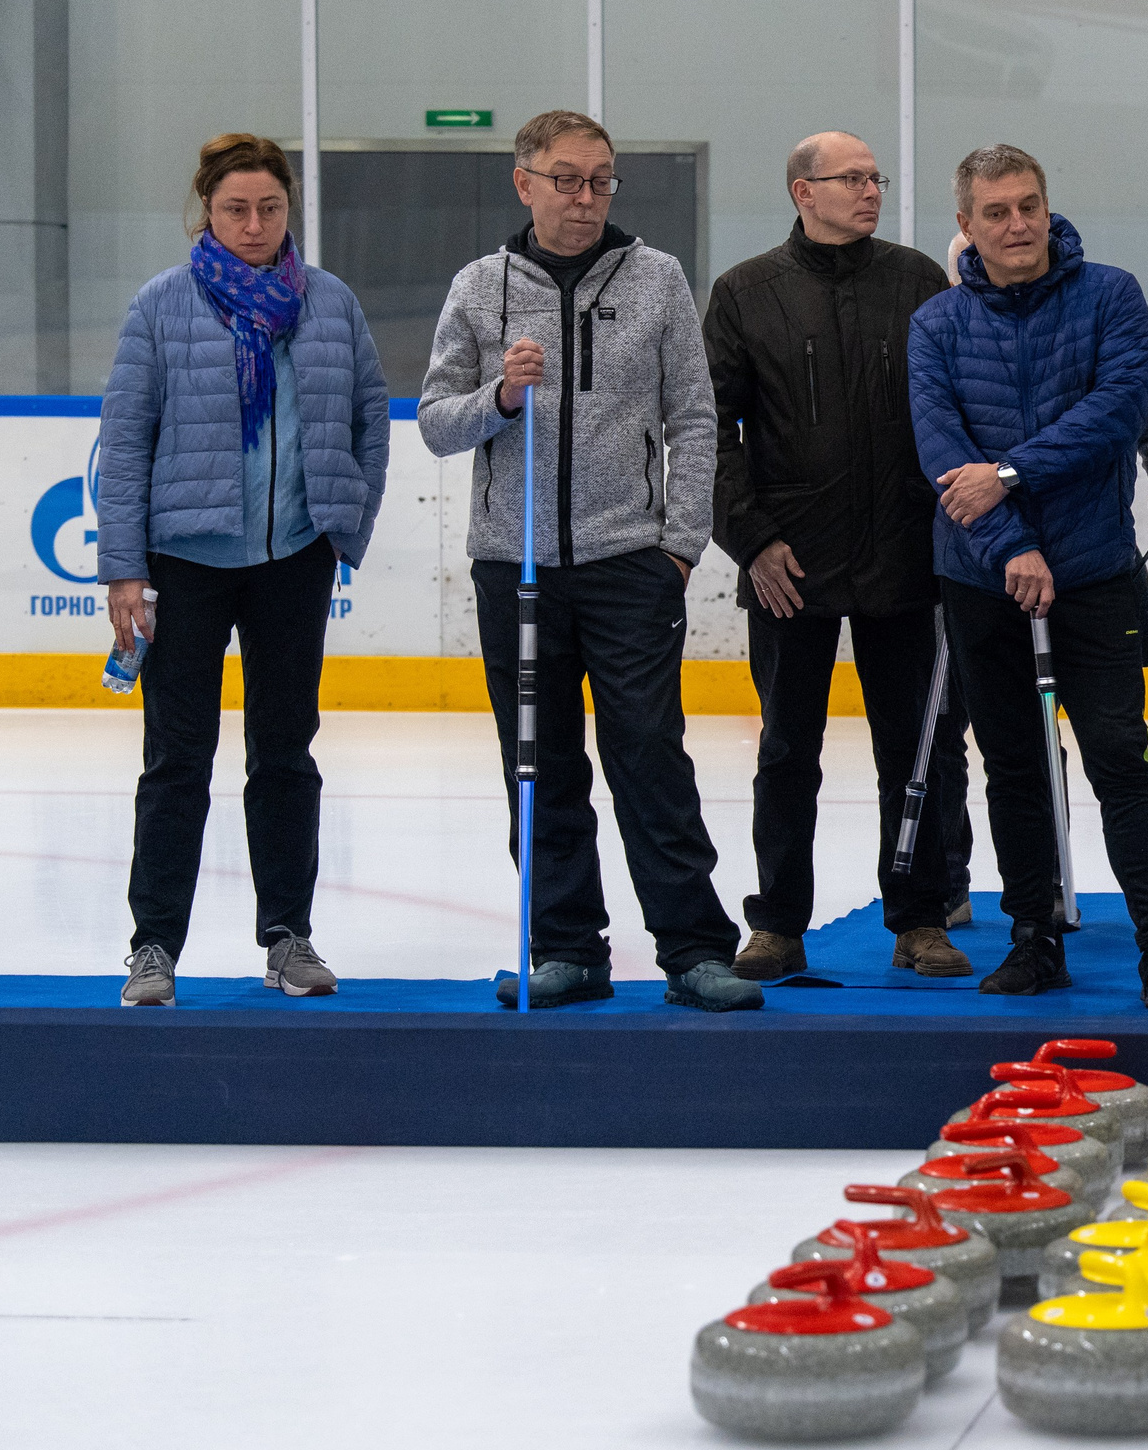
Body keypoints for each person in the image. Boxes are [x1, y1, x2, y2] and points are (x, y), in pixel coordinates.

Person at [419, 109, 755, 1012]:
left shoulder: (657, 280)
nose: (585, 196)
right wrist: (499, 394)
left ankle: (692, 948)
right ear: (523, 181)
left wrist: (678, 546)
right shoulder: (480, 287)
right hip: (515, 568)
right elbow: (435, 421)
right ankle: (567, 946)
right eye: (566, 178)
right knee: (540, 763)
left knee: (651, 755)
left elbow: (695, 416)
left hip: (629, 566)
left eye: (601, 179)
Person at [98, 133, 390, 1007]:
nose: (254, 223)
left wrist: (346, 517)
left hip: (293, 560)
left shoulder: (330, 304)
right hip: (185, 561)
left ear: (288, 209)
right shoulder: (162, 305)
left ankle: (288, 937)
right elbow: (124, 441)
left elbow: (370, 411)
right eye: (236, 208)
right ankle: (154, 945)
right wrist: (124, 570)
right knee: (176, 758)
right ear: (207, 212)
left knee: (285, 753)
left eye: (269, 207)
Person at [909, 144, 1148, 1009]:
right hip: (982, 577)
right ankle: (1034, 936)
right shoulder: (937, 324)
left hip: (1093, 570)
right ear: (966, 225)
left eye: (1029, 205)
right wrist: (1009, 542)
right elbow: (941, 450)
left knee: (1119, 758)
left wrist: (1008, 475)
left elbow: (1114, 413)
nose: (1018, 224)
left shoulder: (1111, 294)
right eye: (995, 212)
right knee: (1015, 767)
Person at [703, 131, 970, 984]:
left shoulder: (919, 280)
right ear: (801, 191)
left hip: (907, 557)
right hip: (790, 565)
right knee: (787, 750)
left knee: (916, 748)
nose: (870, 190)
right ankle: (778, 923)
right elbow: (711, 431)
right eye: (851, 178)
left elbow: (952, 406)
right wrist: (749, 539)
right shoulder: (745, 292)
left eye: (875, 177)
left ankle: (921, 917)